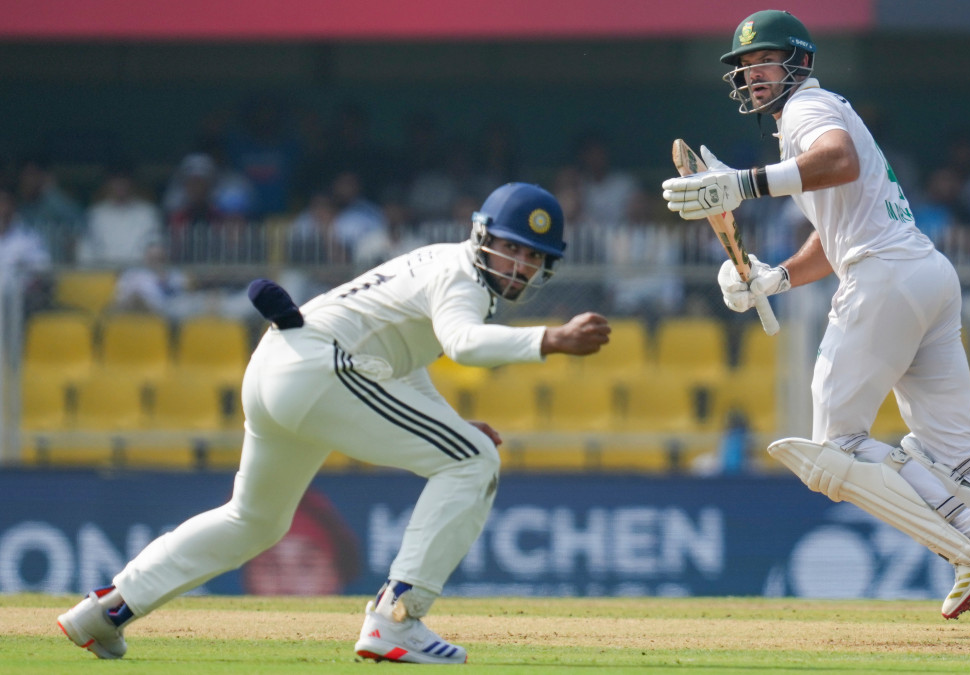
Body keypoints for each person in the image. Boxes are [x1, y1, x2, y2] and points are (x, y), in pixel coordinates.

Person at [661, 9, 970, 635]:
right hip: (923, 274)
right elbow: (834, 232)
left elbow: (838, 160)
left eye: (764, 60)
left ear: (799, 63)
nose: (753, 74)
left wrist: (743, 184)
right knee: (955, 449)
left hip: (884, 277)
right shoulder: (813, 117)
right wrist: (776, 277)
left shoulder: (806, 111)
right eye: (744, 66)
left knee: (833, 447)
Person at [57, 182, 612, 663]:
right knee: (474, 461)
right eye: (510, 248)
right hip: (322, 368)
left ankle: (105, 611)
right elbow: (463, 345)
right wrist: (551, 339)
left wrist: (447, 422)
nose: (518, 265)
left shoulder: (444, 264)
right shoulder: (461, 276)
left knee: (253, 520)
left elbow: (404, 363)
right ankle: (396, 620)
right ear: (481, 236)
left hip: (280, 363)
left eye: (532, 256)